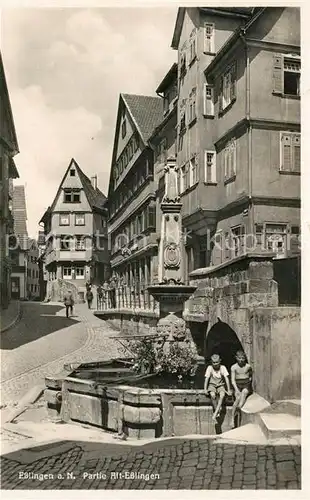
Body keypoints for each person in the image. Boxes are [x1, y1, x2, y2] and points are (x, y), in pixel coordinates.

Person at [204, 353, 232, 422]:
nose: (215, 364)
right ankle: (217, 410)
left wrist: (228, 390)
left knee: (222, 395)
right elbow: (206, 379)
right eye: (213, 362)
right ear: (211, 362)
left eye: (217, 362)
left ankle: (215, 412)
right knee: (212, 395)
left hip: (220, 385)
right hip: (212, 385)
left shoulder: (223, 367)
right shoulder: (209, 368)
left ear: (220, 361)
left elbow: (226, 379)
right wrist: (205, 389)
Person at [230, 350, 253, 428]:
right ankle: (232, 418)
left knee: (244, 394)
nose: (241, 360)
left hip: (246, 384)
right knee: (237, 398)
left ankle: (238, 409)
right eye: (239, 358)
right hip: (237, 384)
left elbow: (251, 375)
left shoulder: (248, 366)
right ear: (236, 358)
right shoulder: (234, 367)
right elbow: (233, 380)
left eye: (243, 358)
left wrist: (249, 381)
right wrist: (236, 389)